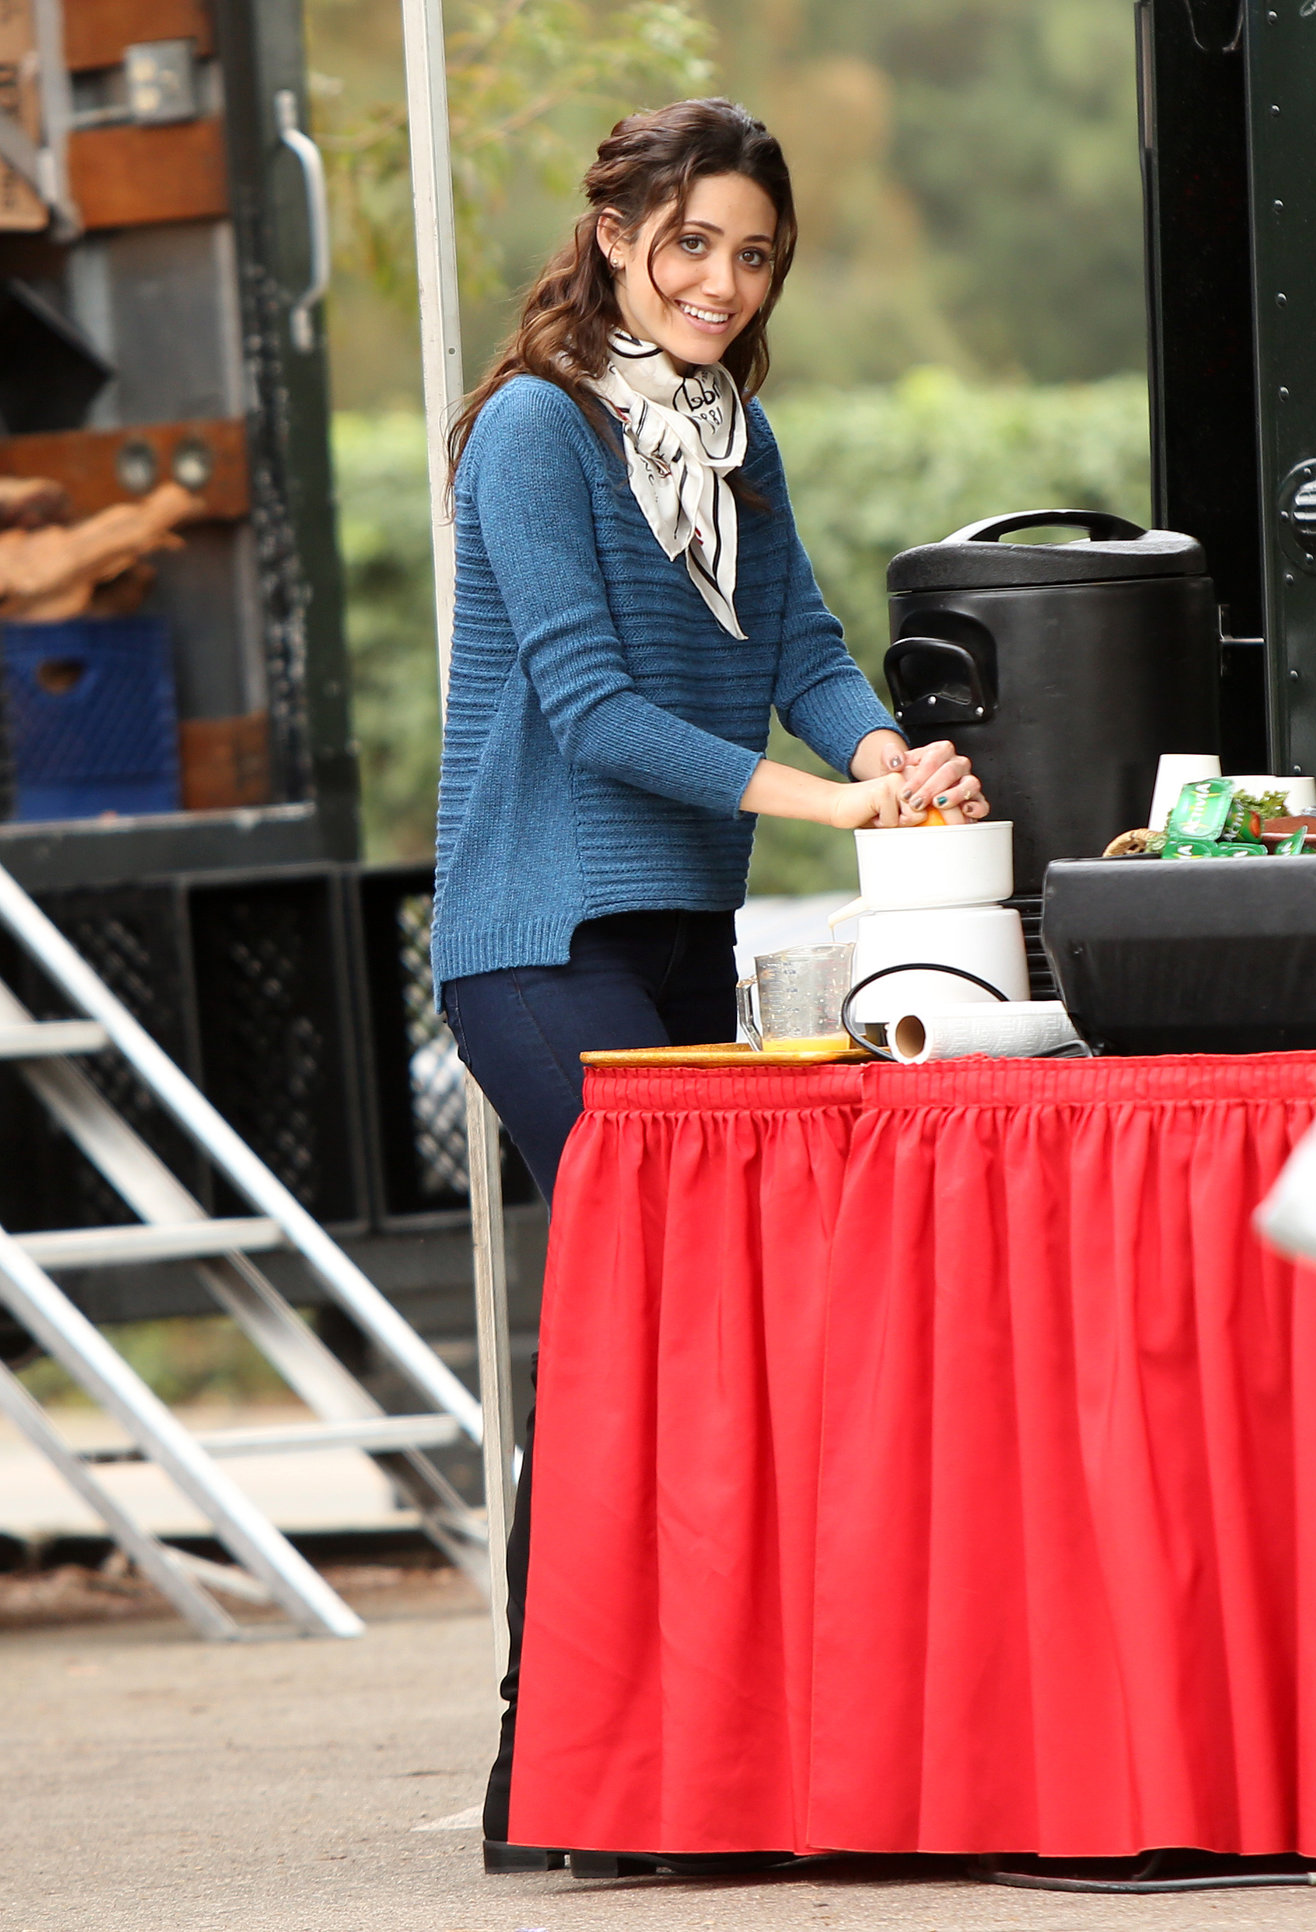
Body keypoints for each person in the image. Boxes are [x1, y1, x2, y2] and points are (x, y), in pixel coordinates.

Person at [432, 96, 988, 1871]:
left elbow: (808, 648)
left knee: (675, 1343)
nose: (720, 286)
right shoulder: (533, 432)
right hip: (536, 938)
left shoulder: (731, 438)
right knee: (632, 1331)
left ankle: (662, 1773)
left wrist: (889, 758)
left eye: (752, 258)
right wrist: (835, 805)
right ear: (613, 237)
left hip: (678, 924)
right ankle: (566, 1777)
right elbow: (592, 714)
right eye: (690, 247)